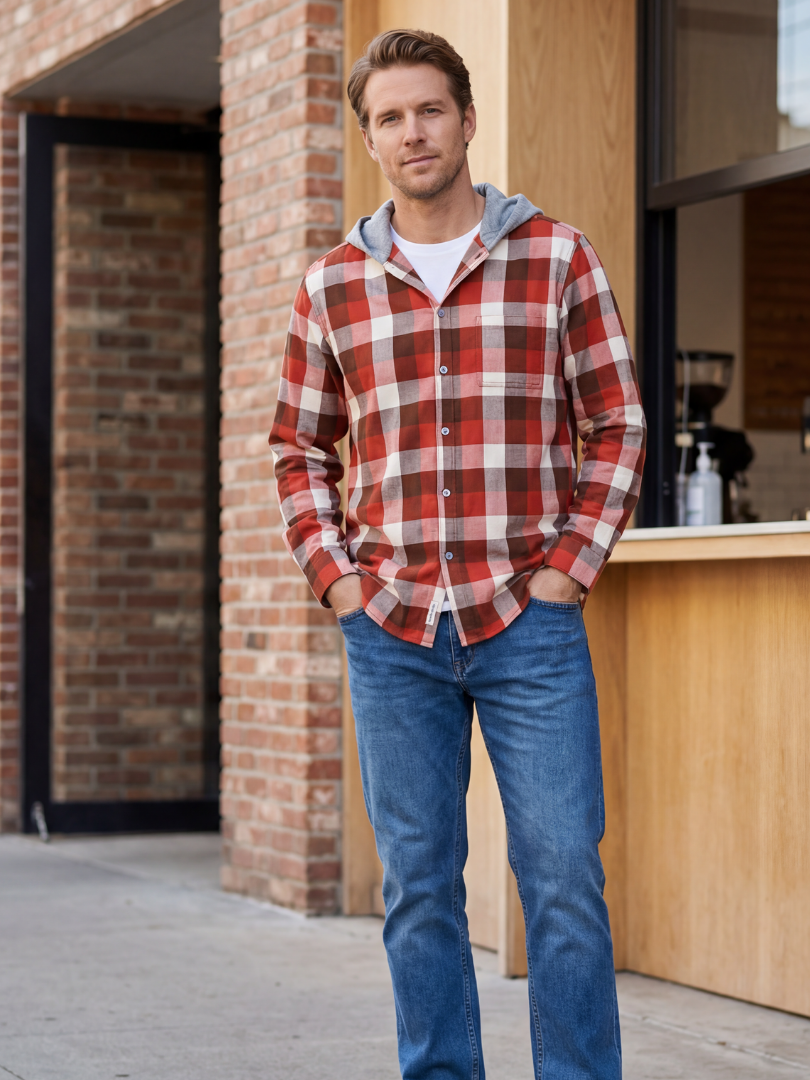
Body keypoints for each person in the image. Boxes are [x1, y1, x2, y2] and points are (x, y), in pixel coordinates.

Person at [269, 27, 646, 1080]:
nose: (412, 132)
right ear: (369, 140)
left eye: (429, 109)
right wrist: (338, 582)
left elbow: (618, 424)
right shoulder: (332, 285)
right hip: (391, 626)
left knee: (564, 879)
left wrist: (569, 567)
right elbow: (297, 449)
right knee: (420, 888)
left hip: (529, 620)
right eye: (389, 117)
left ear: (468, 119)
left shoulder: (558, 258)